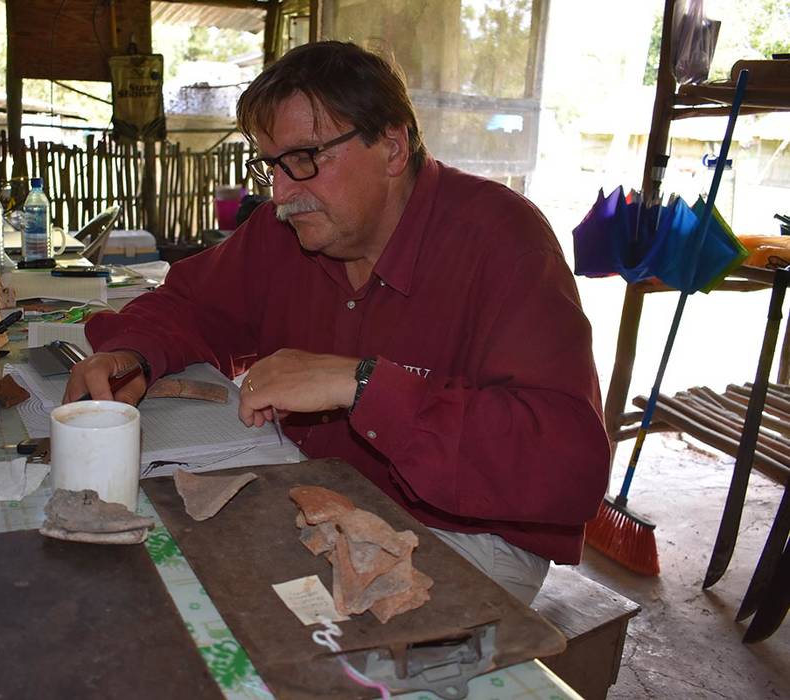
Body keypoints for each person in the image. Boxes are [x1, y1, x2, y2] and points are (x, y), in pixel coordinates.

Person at [64, 41, 610, 604]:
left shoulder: (503, 242)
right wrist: (131, 354)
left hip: (466, 529)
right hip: (314, 486)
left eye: (304, 159)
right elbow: (190, 303)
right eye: (270, 165)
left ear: (392, 148)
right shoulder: (287, 229)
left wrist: (363, 383)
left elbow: (567, 467)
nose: (281, 192)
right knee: (147, 582)